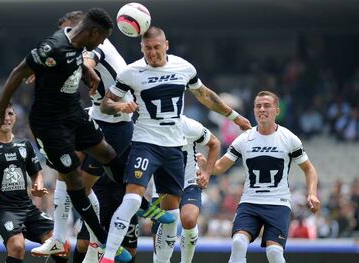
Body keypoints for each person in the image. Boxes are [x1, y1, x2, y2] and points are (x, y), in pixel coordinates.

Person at [0, 8, 131, 263]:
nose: (101, 43)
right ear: (92, 32)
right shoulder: (53, 47)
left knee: (107, 153)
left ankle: (136, 200)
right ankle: (103, 238)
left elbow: (75, 61)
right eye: (101, 38)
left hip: (73, 111)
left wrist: (87, 72)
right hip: (50, 124)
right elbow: (18, 72)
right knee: (72, 178)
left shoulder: (77, 42)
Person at [29, 11, 173, 262]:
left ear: (84, 28)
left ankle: (98, 238)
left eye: (69, 31)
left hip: (115, 124)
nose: (66, 37)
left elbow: (87, 64)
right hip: (98, 116)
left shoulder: (95, 48)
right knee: (67, 172)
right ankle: (64, 238)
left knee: (79, 187)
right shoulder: (83, 47)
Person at [99, 26, 251, 263]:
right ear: (141, 48)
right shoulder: (131, 72)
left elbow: (206, 96)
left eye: (157, 47)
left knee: (171, 214)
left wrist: (234, 117)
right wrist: (119, 106)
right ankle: (107, 257)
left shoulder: (184, 67)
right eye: (147, 48)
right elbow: (106, 104)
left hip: (173, 149)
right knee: (132, 199)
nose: (152, 53)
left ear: (166, 45)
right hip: (145, 143)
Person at [197, 91, 321, 263]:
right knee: (239, 242)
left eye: (267, 105)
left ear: (277, 111)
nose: (262, 109)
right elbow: (219, 167)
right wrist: (206, 166)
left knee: (274, 253)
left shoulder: (289, 138)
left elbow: (309, 169)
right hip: (250, 202)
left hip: (278, 203)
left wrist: (312, 193)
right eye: (258, 106)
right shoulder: (243, 139)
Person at [0, 102, 66, 263]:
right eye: (2, 114)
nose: (6, 118)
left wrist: (38, 185)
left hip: (27, 206)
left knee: (59, 244)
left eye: (10, 114)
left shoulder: (24, 144)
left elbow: (37, 173)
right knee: (17, 246)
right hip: (4, 210)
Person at [150, 115, 221, 263]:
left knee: (188, 219)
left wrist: (207, 173)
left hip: (189, 182)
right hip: (162, 187)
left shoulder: (189, 125)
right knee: (158, 245)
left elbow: (214, 143)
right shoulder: (149, 124)